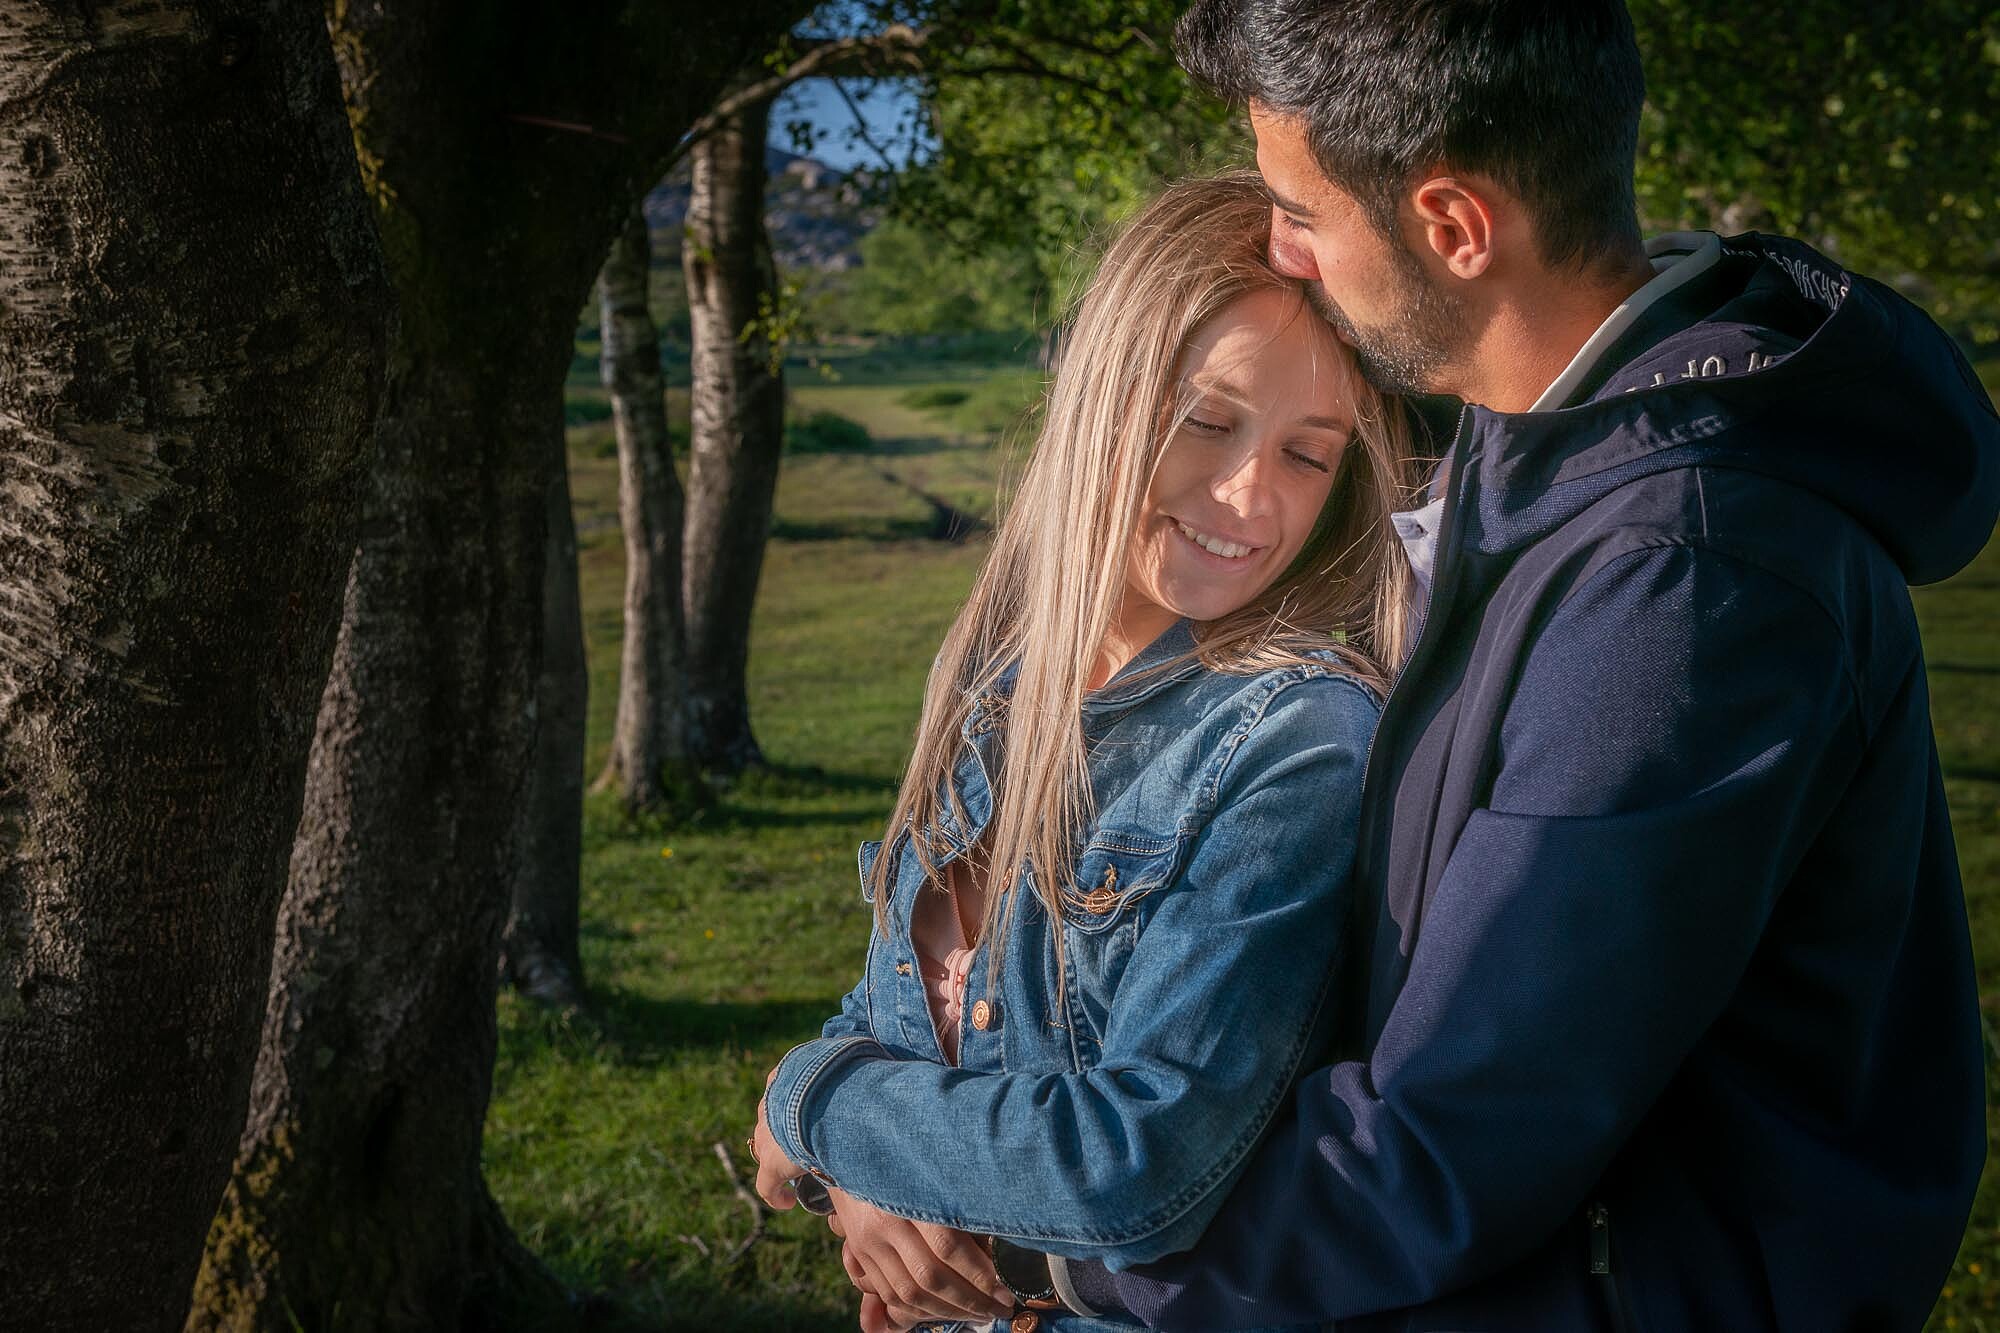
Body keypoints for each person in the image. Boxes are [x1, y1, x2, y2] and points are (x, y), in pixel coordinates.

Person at [854, 2, 1993, 1330]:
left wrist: (1013, 1246)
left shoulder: (1686, 577)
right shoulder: (1548, 457)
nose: (1285, 246)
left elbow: (1449, 1149)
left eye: (1301, 207)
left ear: (1452, 226)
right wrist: (887, 1138)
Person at [746, 172, 1417, 1332]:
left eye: (1308, 455)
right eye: (1206, 421)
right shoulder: (997, 687)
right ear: (1109, 396)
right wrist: (857, 1184)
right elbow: (890, 1005)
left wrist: (806, 1101)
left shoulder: (1290, 736)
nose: (1249, 493)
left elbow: (1138, 1165)